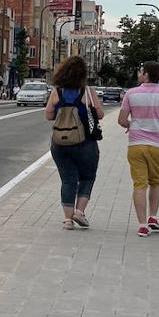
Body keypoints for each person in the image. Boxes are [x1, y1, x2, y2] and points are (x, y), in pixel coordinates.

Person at [118, 61, 159, 237]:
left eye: (140, 71)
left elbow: (122, 120)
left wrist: (132, 125)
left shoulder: (131, 94)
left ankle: (142, 224)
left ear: (146, 74)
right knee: (156, 181)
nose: (139, 73)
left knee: (139, 184)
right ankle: (153, 216)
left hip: (136, 145)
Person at [44, 56, 104, 230]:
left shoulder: (57, 92)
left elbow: (48, 115)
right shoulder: (88, 91)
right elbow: (100, 115)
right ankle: (79, 212)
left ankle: (67, 220)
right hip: (85, 143)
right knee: (87, 177)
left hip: (60, 144)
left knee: (68, 180)